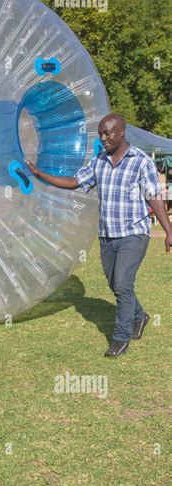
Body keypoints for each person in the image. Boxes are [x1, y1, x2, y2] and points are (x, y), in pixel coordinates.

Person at [25, 113, 171, 357]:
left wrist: (168, 230)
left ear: (122, 132)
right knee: (115, 284)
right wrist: (40, 175)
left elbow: (154, 196)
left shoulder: (141, 161)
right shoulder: (99, 161)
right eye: (101, 133)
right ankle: (140, 315)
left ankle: (121, 337)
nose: (103, 138)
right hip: (107, 234)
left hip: (134, 233)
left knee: (123, 282)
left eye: (108, 133)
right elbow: (74, 181)